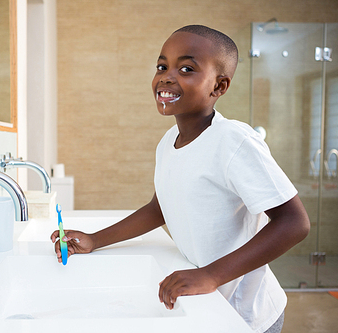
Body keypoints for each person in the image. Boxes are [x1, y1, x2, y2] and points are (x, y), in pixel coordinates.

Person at [50, 25, 310, 333]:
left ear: (219, 86)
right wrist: (95, 240)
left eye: (186, 68)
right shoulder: (169, 140)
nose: (167, 76)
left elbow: (294, 223)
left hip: (245, 313)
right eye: (162, 66)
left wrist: (211, 275)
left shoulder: (233, 141)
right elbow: (159, 208)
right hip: (207, 301)